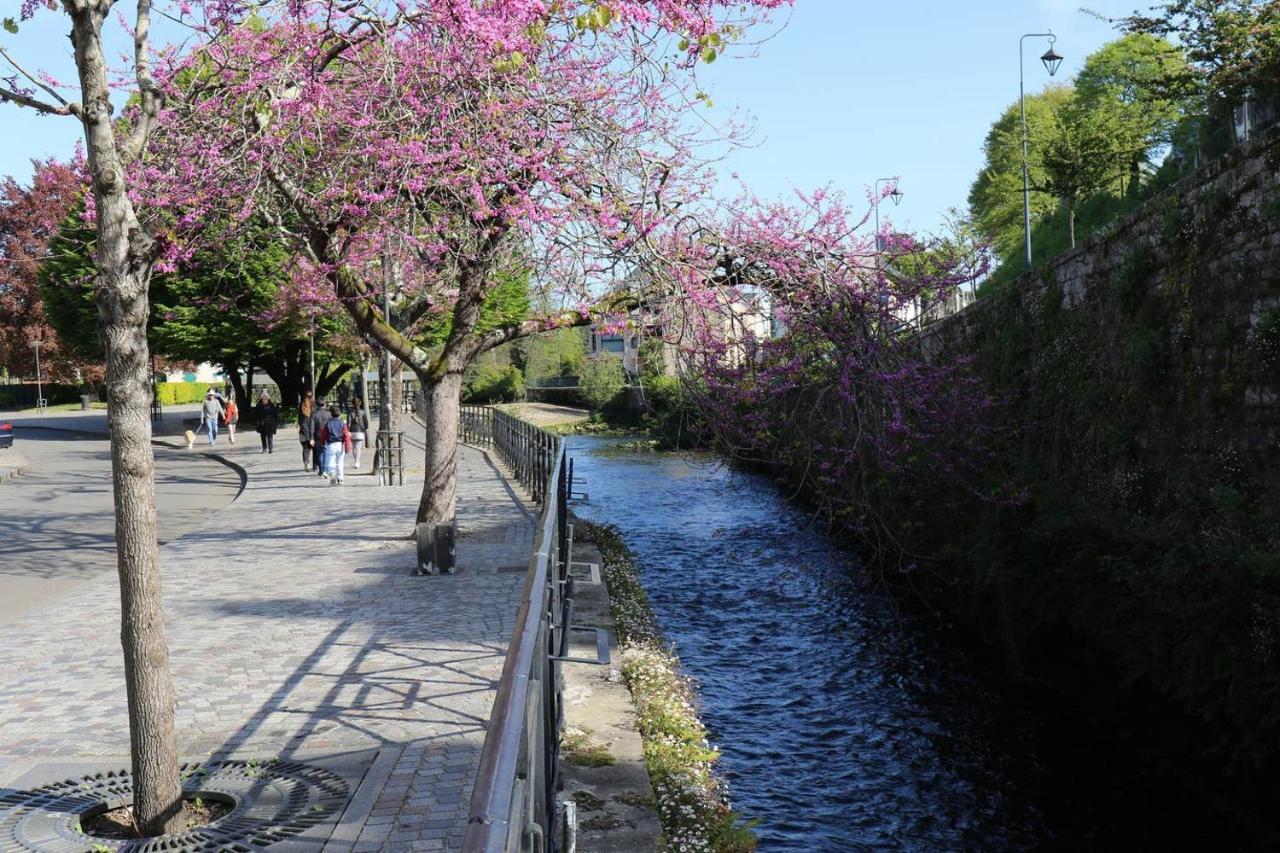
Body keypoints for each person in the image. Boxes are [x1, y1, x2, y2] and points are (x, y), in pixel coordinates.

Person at [317, 405, 352, 485]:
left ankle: (332, 476)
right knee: (340, 462)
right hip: (340, 444)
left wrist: (322, 442)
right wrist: (347, 446)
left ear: (331, 414)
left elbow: (323, 435)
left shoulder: (328, 424)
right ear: (339, 414)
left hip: (331, 445)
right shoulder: (342, 423)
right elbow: (346, 435)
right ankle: (340, 478)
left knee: (331, 462)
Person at [310, 395, 330, 476]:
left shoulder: (314, 415)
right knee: (326, 452)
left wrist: (311, 438)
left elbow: (312, 427)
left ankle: (321, 470)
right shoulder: (329, 413)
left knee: (319, 453)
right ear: (324, 403)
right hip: (327, 435)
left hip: (317, 435)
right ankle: (325, 469)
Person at [348, 397, 369, 470]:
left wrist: (348, 430)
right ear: (360, 403)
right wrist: (365, 428)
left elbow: (348, 423)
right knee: (358, 448)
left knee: (353, 448)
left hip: (352, 431)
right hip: (360, 431)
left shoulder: (350, 412)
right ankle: (357, 462)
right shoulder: (363, 412)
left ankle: (355, 461)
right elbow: (366, 422)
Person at [298, 391, 315, 470]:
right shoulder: (313, 406)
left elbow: (299, 419)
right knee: (313, 448)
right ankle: (315, 464)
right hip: (311, 429)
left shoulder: (301, 405)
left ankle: (306, 462)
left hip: (303, 429)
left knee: (305, 448)